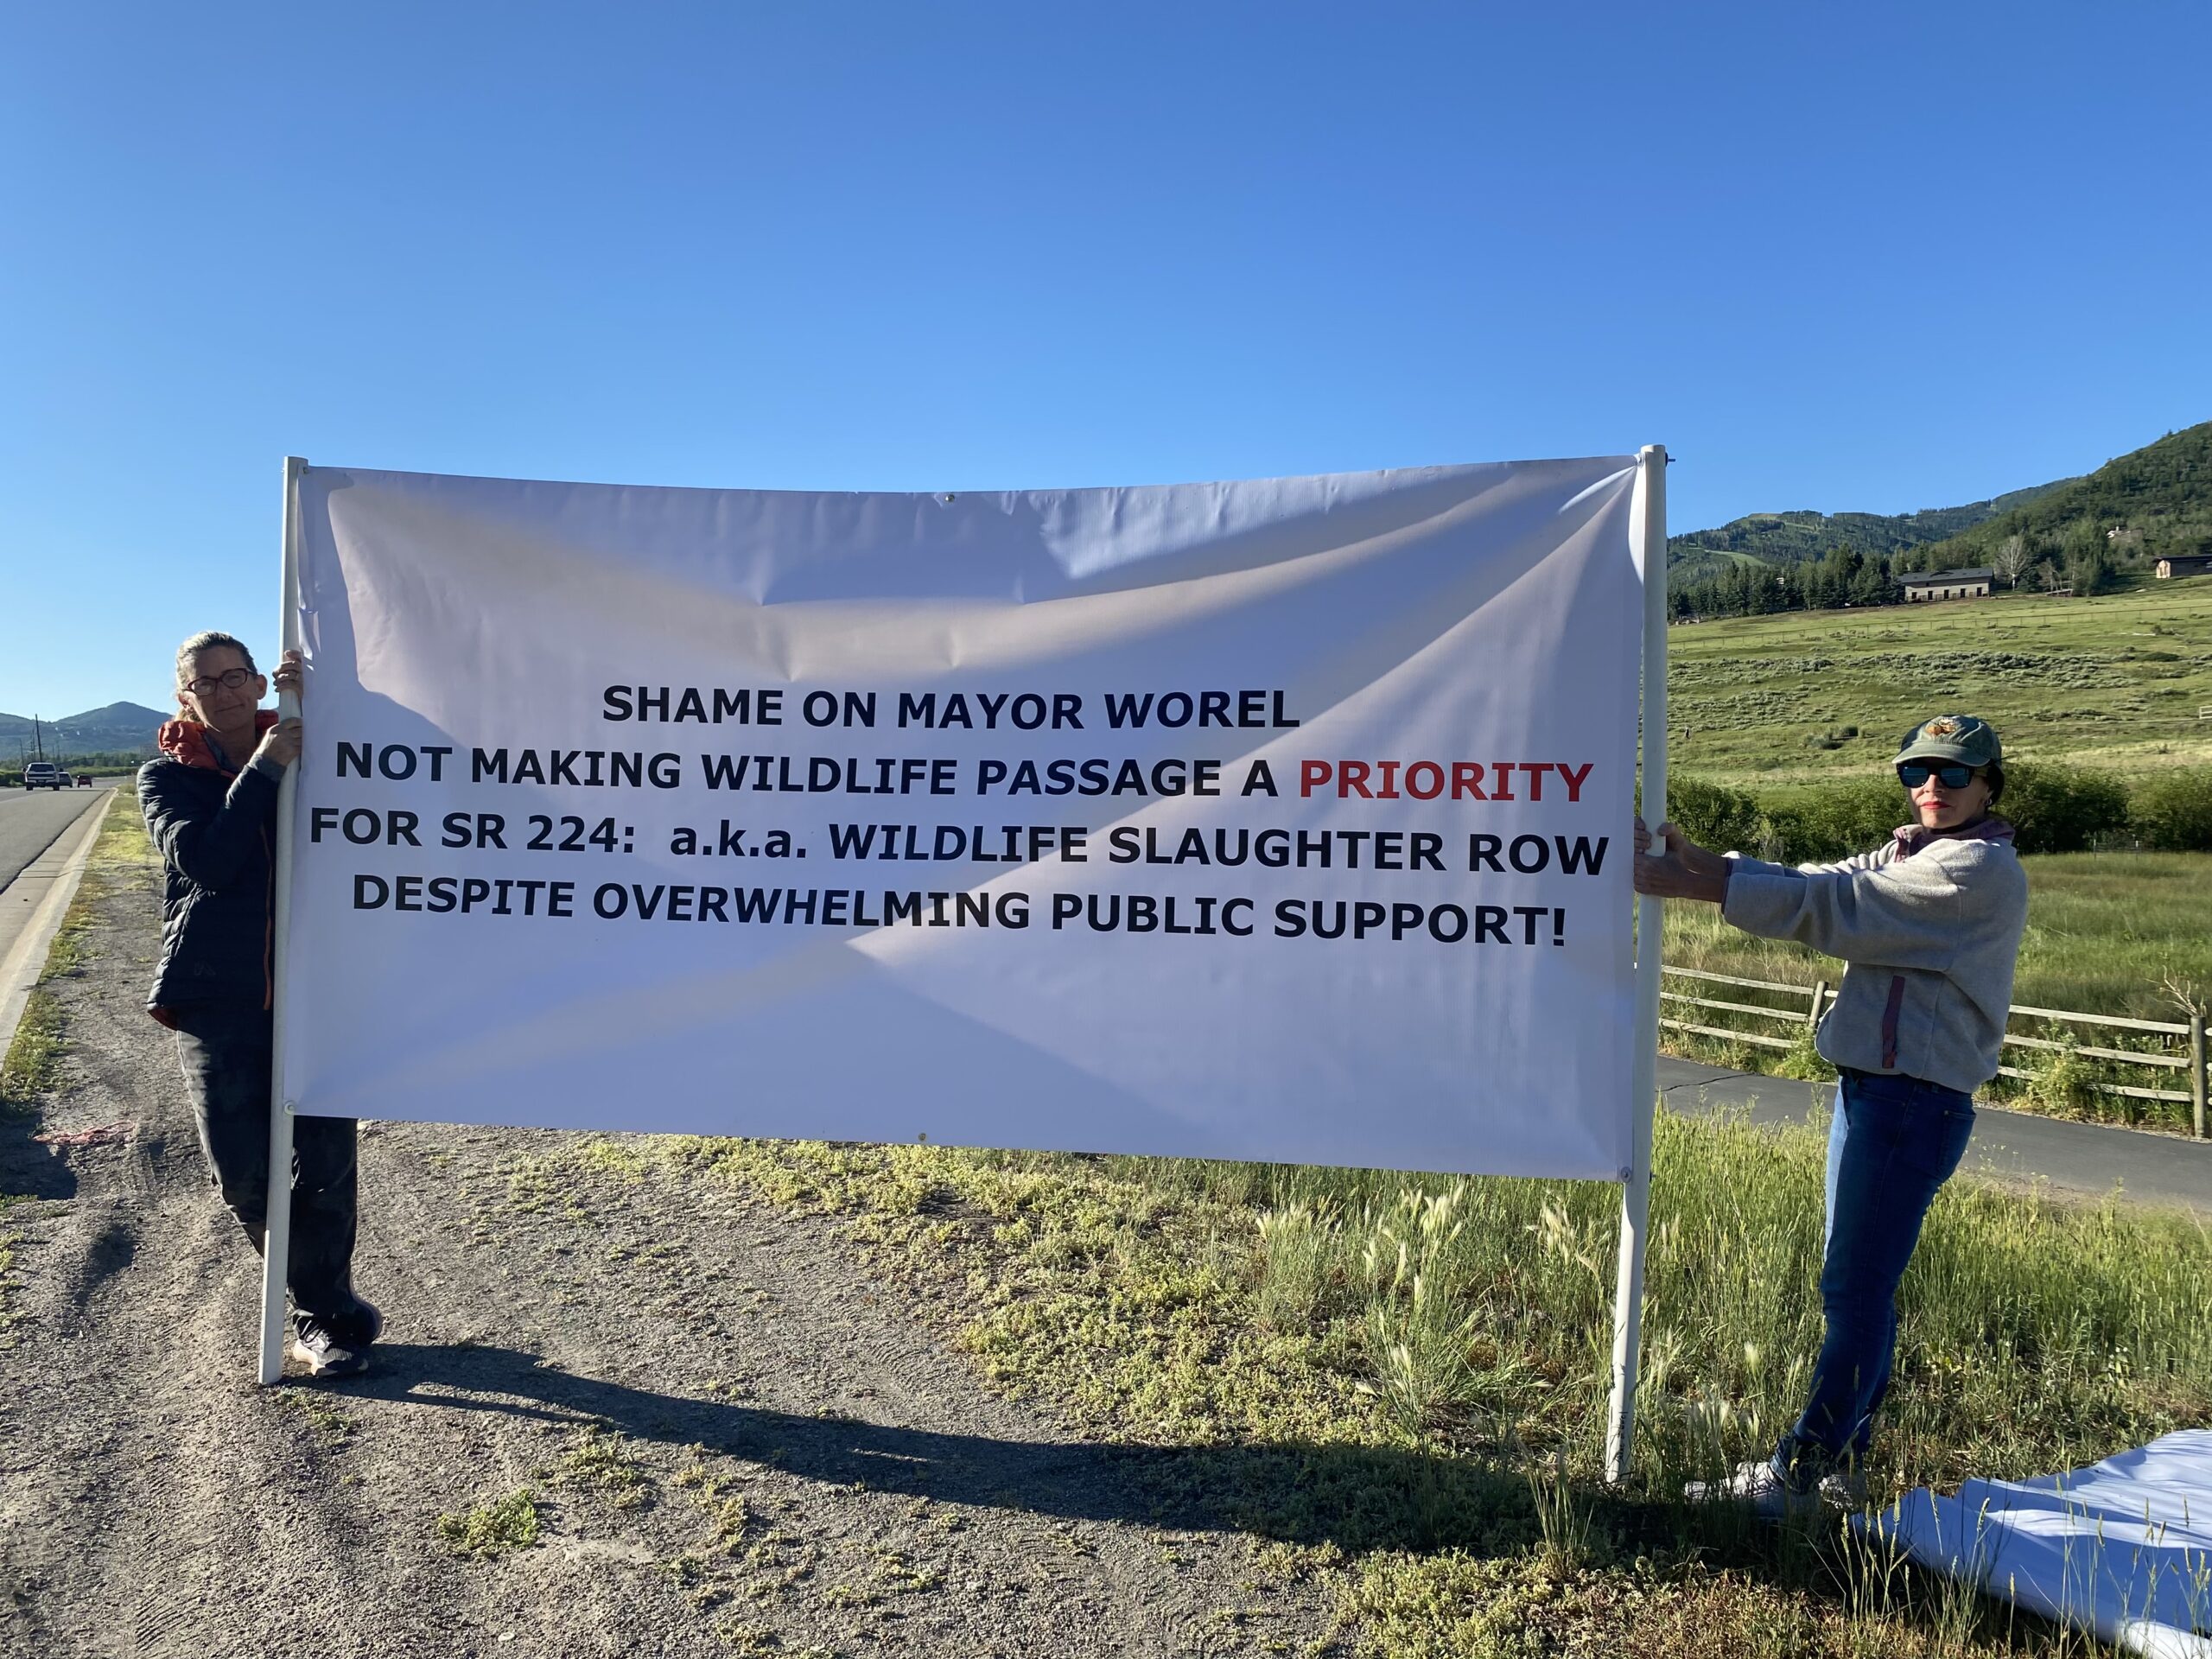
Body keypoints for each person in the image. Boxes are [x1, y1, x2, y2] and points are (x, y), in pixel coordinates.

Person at [1634, 714, 2028, 1513]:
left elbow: (1838, 905)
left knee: (1853, 1290)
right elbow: (1822, 873)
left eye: (1954, 775)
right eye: (1918, 773)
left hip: (1907, 1102)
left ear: (1989, 784)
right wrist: (1713, 862)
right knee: (1860, 1289)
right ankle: (1844, 1464)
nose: (1932, 789)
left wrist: (1702, 886)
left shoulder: (1972, 873)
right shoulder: (1914, 852)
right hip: (1881, 1092)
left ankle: (1803, 1473)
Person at [139, 632, 379, 1377]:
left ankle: (319, 1314)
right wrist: (268, 766)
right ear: (187, 696)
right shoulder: (165, 779)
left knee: (327, 1163)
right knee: (244, 1173)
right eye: (206, 683)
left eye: (237, 676)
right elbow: (209, 861)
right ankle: (321, 1301)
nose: (226, 692)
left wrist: (323, 693)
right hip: (217, 997)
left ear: (258, 681)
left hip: (318, 989)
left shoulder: (316, 748)